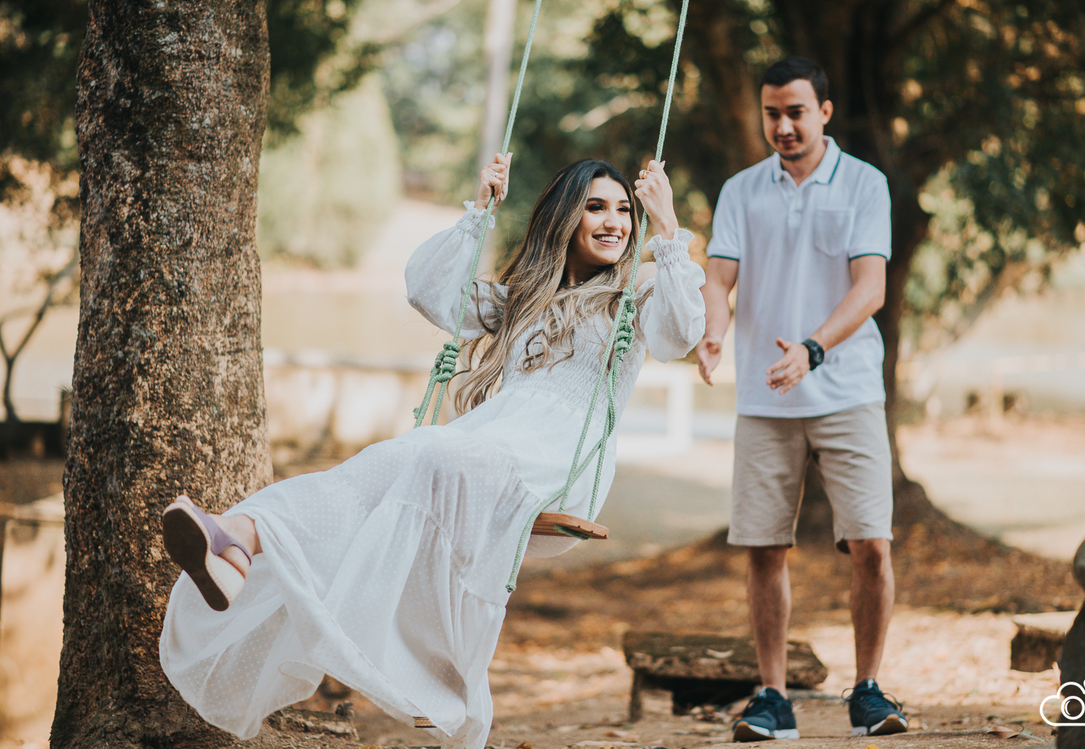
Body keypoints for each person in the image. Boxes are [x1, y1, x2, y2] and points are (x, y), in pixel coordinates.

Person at [159, 155, 705, 749]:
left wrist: (667, 228)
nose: (614, 222)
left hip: (555, 466)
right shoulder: (523, 296)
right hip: (485, 447)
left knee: (437, 453)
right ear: (564, 217)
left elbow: (680, 335)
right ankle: (237, 538)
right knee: (382, 466)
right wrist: (479, 212)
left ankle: (434, 680)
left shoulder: (639, 287)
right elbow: (430, 294)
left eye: (624, 209)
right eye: (596, 206)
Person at [697, 57, 906, 739]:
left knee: (871, 542)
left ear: (825, 111)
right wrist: (713, 334)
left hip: (845, 390)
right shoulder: (741, 190)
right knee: (764, 547)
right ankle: (772, 696)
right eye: (771, 113)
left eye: (795, 111)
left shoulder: (865, 184)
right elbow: (719, 279)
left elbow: (869, 289)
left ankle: (868, 690)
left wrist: (811, 350)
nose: (782, 126)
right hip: (764, 399)